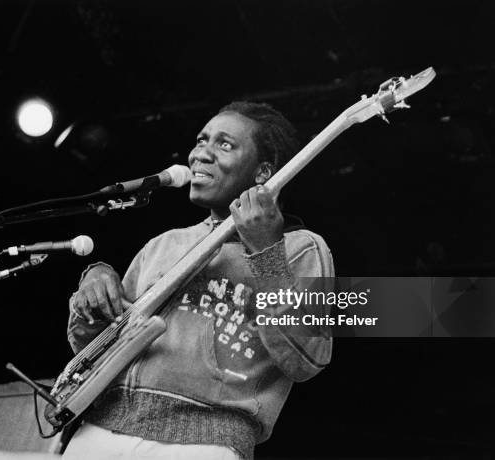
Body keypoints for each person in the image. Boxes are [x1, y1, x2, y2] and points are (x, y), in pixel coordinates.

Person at [63, 101, 334, 460]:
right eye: (201, 140)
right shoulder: (164, 244)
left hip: (204, 444)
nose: (200, 154)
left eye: (224, 144)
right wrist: (91, 293)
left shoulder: (302, 248)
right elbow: (90, 346)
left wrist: (266, 252)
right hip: (98, 430)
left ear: (262, 172)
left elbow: (307, 359)